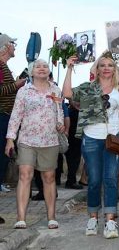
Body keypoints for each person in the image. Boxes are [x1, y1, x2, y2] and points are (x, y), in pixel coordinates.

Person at [62, 51, 119, 239]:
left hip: (113, 139)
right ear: (97, 69)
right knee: (93, 181)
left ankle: (110, 220)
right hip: (91, 138)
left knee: (110, 179)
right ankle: (93, 217)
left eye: (110, 65)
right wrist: (69, 68)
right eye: (103, 65)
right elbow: (67, 93)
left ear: (114, 69)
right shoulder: (88, 87)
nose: (106, 68)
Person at [5, 59, 65, 229]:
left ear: (48, 71)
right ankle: (21, 218)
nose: (42, 69)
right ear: (31, 72)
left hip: (49, 140)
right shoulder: (24, 92)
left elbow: (59, 111)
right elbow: (16, 116)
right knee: (25, 175)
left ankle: (52, 217)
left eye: (45, 66)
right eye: (38, 66)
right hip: (27, 140)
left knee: (49, 177)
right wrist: (10, 139)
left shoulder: (56, 90)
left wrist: (60, 123)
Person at [0, 34, 26, 205]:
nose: (15, 46)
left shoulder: (4, 67)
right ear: (5, 47)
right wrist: (16, 85)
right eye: (13, 43)